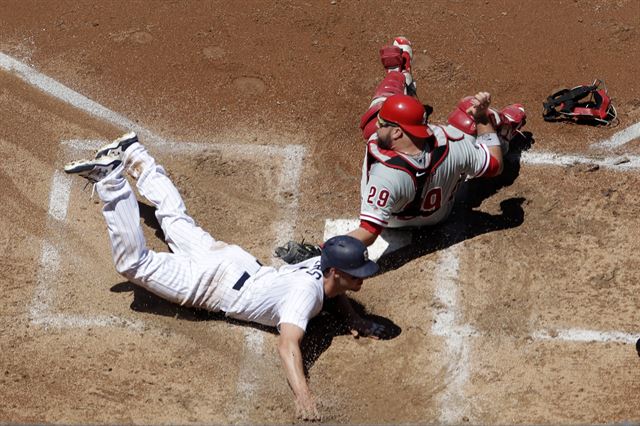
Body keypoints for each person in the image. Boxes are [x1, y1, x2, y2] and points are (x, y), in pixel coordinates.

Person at [63, 133, 388, 421]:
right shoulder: (306, 294)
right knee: (135, 264)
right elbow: (287, 344)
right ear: (334, 271)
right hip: (210, 285)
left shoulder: (323, 265)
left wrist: (353, 317)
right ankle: (111, 180)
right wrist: (305, 399)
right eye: (355, 273)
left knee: (176, 221)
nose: (361, 279)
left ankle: (135, 153)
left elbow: (336, 290)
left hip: (230, 260)